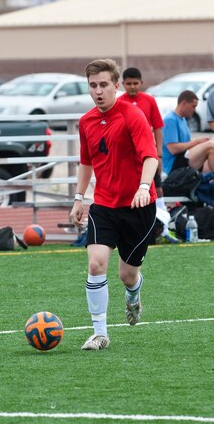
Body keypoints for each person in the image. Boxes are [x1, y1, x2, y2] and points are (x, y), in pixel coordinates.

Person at [70, 58, 158, 351]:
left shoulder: (132, 116)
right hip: (104, 206)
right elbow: (86, 162)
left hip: (138, 207)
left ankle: (133, 294)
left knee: (126, 275)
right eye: (92, 86)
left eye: (104, 85)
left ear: (116, 86)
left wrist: (143, 187)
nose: (98, 91)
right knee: (96, 264)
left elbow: (150, 157)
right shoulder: (86, 122)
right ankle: (100, 333)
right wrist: (79, 199)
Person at [119, 67, 179, 243]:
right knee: (131, 190)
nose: (132, 87)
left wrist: (158, 153)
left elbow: (158, 128)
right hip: (129, 157)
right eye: (128, 84)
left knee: (157, 190)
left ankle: (164, 229)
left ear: (142, 83)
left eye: (135, 83)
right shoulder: (119, 103)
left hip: (148, 154)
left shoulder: (149, 100)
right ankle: (133, 230)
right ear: (123, 84)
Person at [162, 90, 214, 175]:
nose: (194, 110)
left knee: (210, 152)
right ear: (183, 104)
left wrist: (200, 142)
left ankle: (210, 181)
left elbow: (186, 144)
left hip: (184, 157)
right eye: (193, 106)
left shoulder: (182, 119)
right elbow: (173, 149)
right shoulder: (170, 120)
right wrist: (196, 142)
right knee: (211, 146)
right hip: (173, 165)